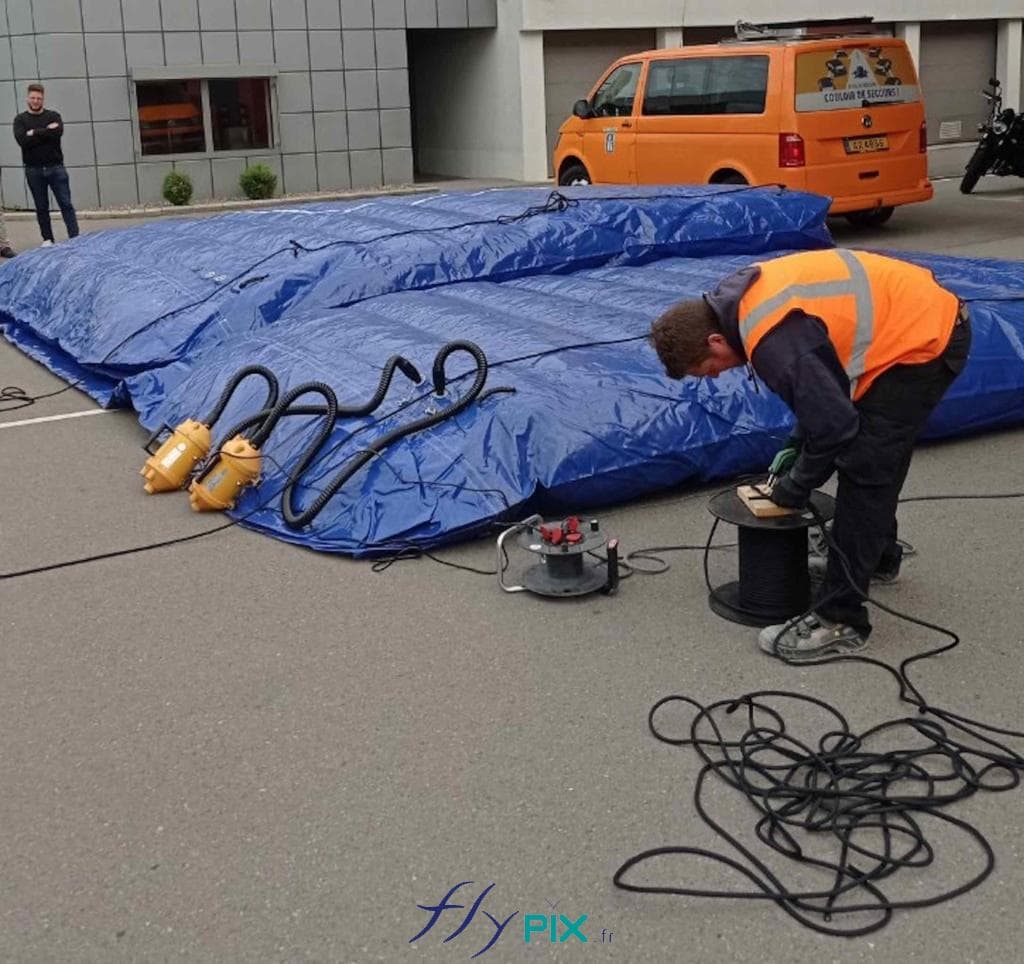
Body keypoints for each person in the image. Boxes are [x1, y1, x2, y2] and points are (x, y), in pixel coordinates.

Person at [649, 248, 971, 661]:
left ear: (715, 340)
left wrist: (795, 487)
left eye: (709, 367)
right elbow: (825, 386)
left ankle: (841, 618)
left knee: (867, 466)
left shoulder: (770, 338)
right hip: (910, 318)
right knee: (870, 454)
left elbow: (836, 425)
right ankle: (877, 559)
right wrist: (795, 445)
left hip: (923, 340)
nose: (717, 375)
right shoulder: (737, 302)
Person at [13, 82, 79, 247]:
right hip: (33, 170)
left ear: (43, 99)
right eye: (33, 98)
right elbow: (23, 141)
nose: (36, 101)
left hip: (56, 167)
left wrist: (34, 132)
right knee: (41, 207)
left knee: (66, 203)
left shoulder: (54, 116)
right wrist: (45, 132)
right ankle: (47, 239)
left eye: (39, 98)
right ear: (27, 98)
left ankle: (75, 237)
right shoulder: (20, 120)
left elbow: (57, 133)